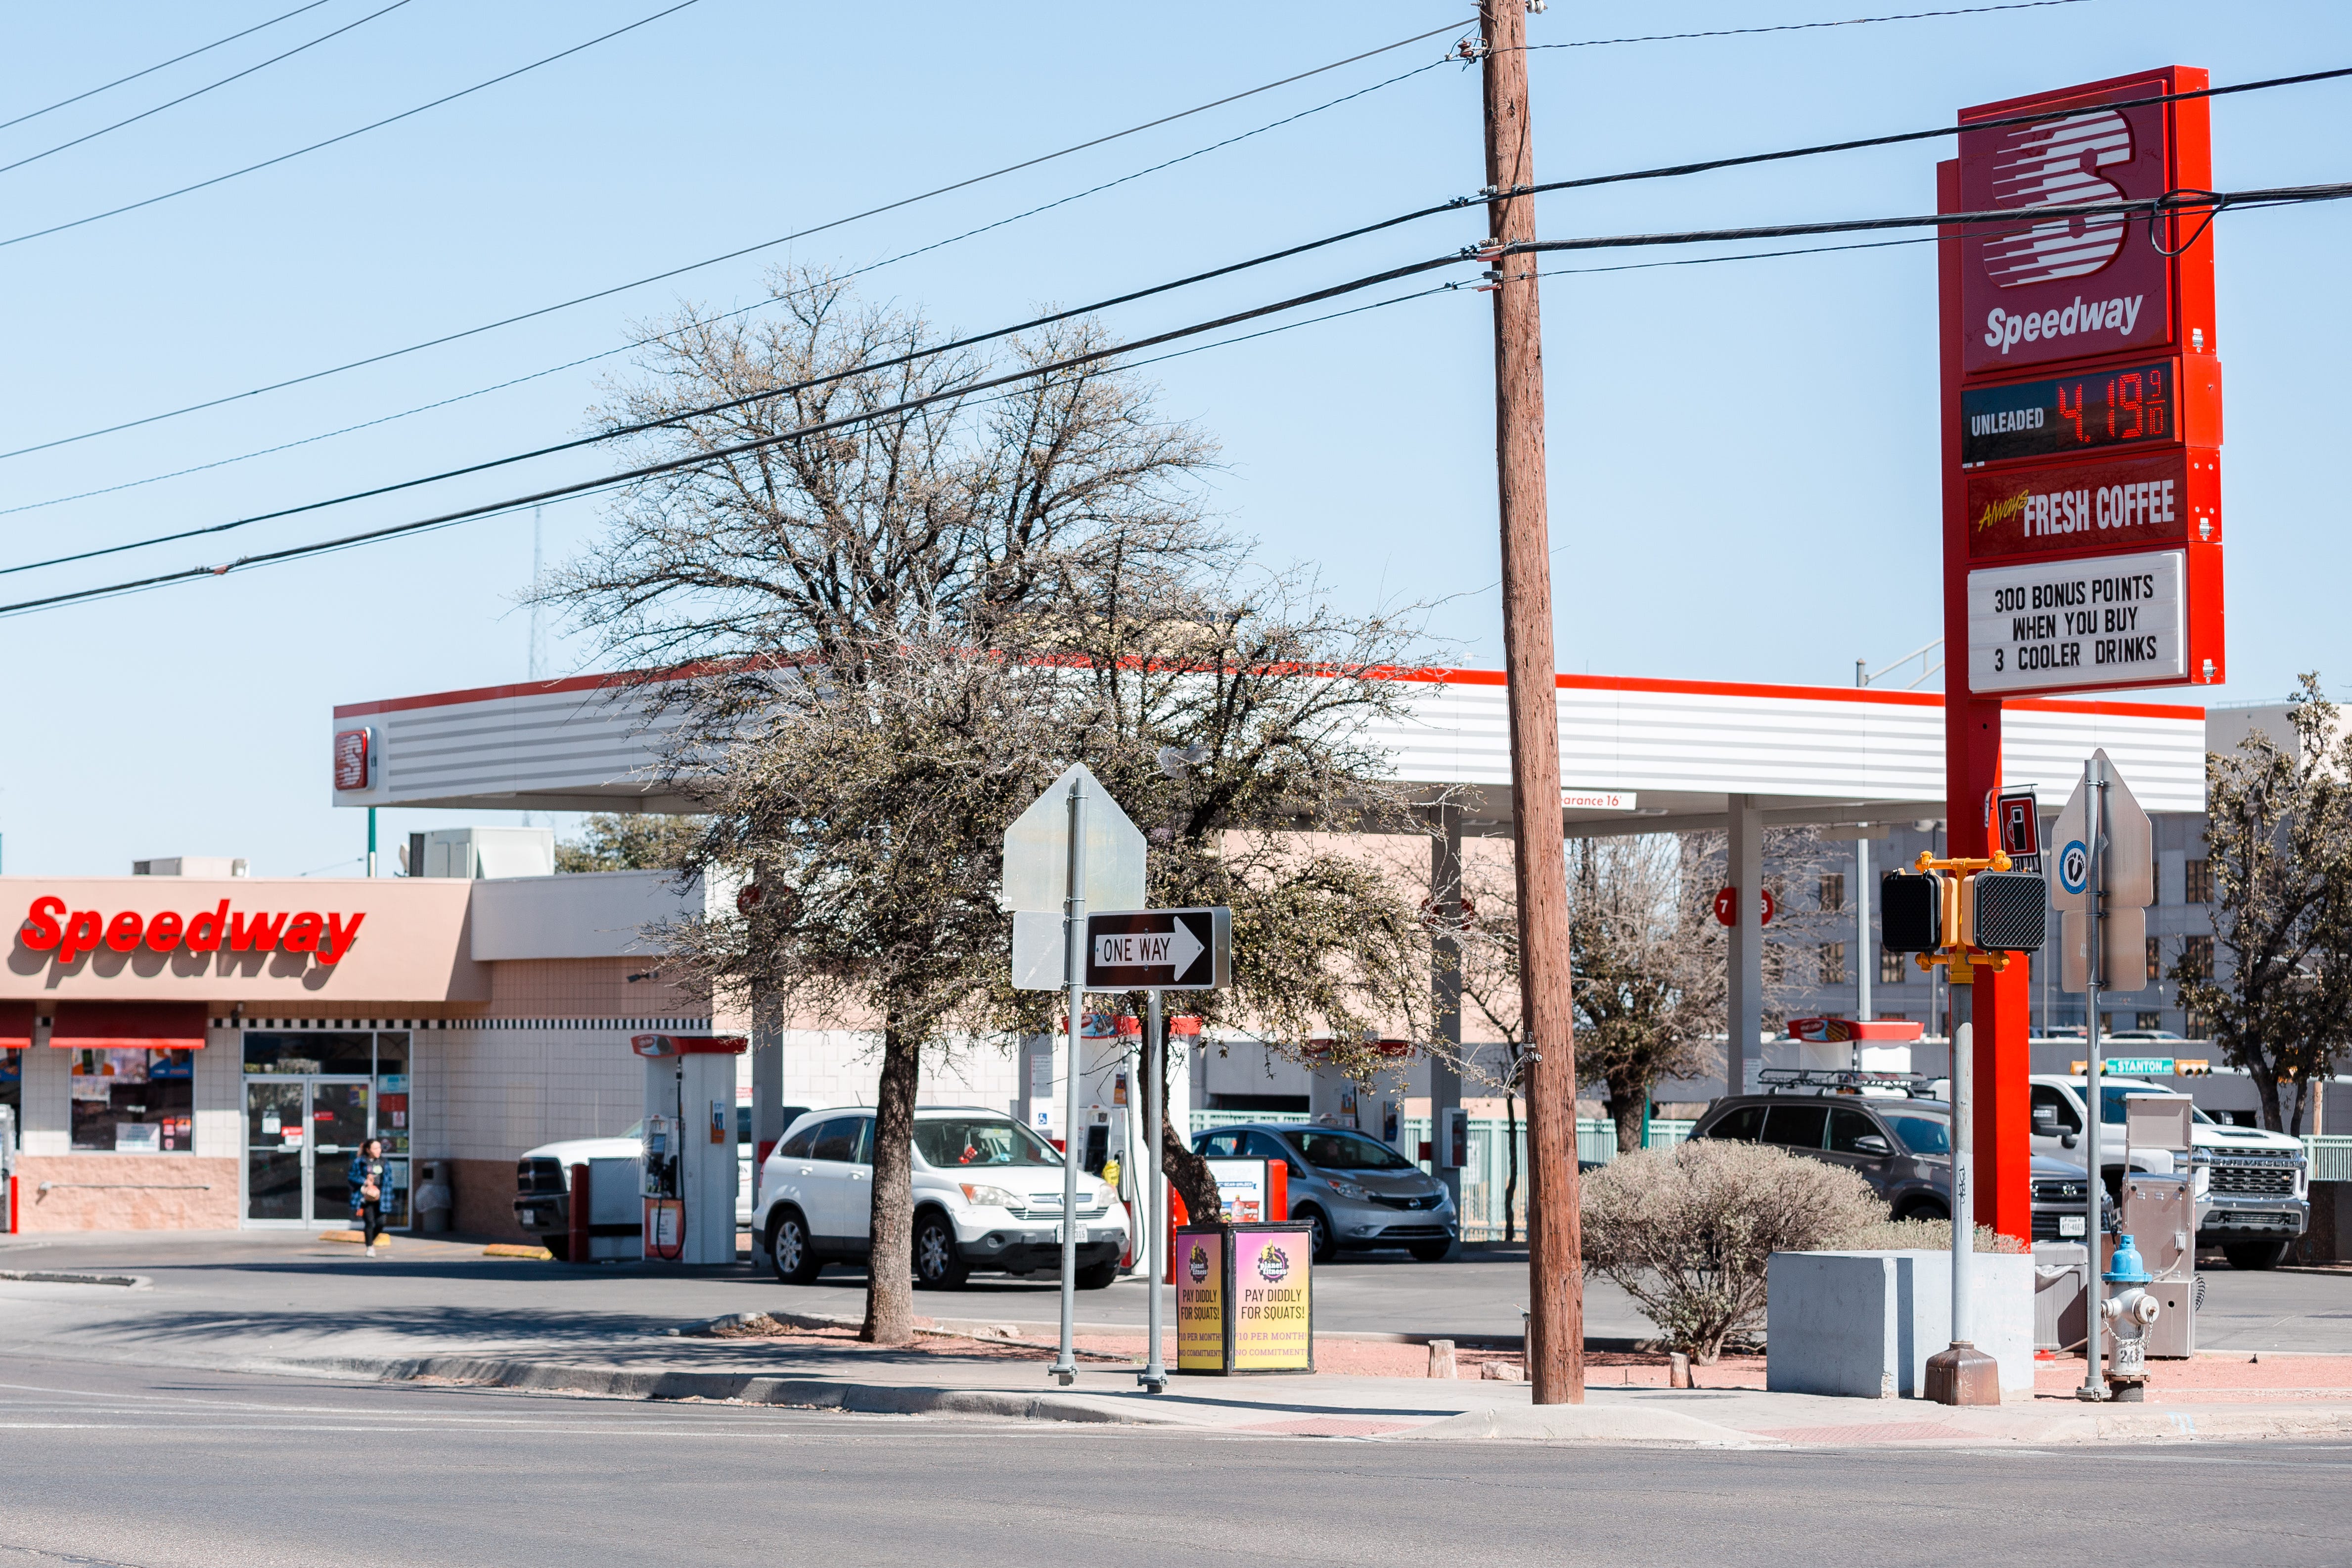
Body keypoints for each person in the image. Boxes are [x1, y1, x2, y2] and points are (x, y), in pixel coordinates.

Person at [349, 1137, 389, 1256]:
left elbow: (388, 1180)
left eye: (380, 1148)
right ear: (368, 1150)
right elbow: (352, 1177)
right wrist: (365, 1182)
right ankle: (370, 1247)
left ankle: (370, 1240)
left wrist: (384, 1192)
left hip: (381, 1197)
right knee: (370, 1222)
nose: (379, 1150)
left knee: (381, 1223)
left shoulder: (384, 1162)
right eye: (375, 1148)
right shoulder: (360, 1162)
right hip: (365, 1198)